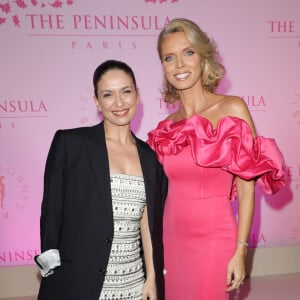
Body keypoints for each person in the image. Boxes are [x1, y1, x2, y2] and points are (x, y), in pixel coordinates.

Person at [147, 18, 285, 300]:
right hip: (172, 240)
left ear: (202, 56)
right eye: (169, 58)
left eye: (188, 53)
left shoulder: (231, 108)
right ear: (163, 66)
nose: (180, 65)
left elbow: (247, 189)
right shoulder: (167, 128)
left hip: (215, 238)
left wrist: (241, 249)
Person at [35, 60, 167, 300]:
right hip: (80, 283)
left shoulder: (150, 157)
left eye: (126, 92)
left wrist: (152, 279)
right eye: (108, 95)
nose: (119, 103)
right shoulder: (71, 145)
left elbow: (148, 226)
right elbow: (51, 213)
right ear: (97, 101)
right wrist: (52, 274)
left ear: (137, 95)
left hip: (133, 284)